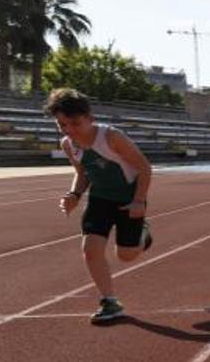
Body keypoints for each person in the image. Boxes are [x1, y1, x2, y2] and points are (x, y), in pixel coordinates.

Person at [48, 88, 154, 323]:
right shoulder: (68, 144)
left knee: (126, 255)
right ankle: (110, 301)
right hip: (100, 199)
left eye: (75, 123)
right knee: (90, 249)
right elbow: (82, 173)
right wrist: (74, 194)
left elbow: (144, 168)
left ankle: (143, 233)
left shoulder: (111, 137)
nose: (69, 130)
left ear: (90, 118)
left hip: (129, 198)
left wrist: (139, 200)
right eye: (62, 125)